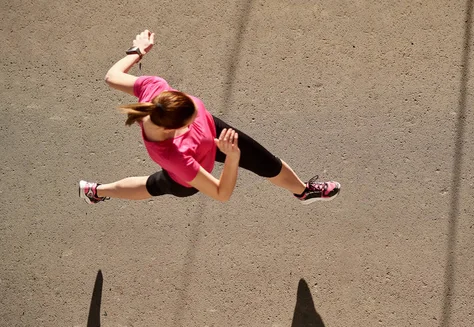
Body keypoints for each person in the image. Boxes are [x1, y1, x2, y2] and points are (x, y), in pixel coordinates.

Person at [79, 30, 340, 205]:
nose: (197, 116)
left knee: (267, 162)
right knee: (154, 185)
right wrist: (232, 157)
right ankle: (97, 191)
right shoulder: (176, 157)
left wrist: (137, 50)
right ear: (176, 129)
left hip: (215, 134)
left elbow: (111, 77)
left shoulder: (156, 89)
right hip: (190, 172)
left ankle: (303, 191)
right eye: (192, 120)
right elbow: (221, 192)